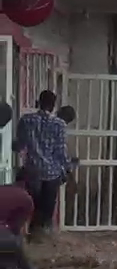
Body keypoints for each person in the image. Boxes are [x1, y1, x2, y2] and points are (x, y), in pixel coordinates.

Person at [16, 90, 73, 237]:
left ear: (38, 102)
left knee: (33, 206)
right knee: (47, 210)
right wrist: (68, 168)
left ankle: (30, 235)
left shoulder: (26, 120)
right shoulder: (59, 124)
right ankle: (41, 237)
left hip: (32, 171)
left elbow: (20, 146)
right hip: (51, 174)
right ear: (54, 106)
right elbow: (61, 152)